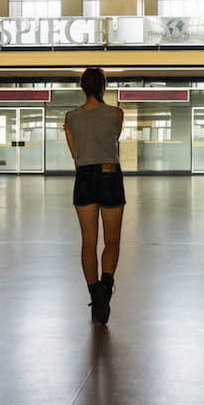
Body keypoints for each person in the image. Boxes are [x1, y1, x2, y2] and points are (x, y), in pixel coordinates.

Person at [64, 67, 125, 325]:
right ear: (103, 87)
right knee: (111, 241)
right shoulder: (116, 113)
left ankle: (94, 294)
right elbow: (114, 138)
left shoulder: (70, 117)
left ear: (82, 88)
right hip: (110, 174)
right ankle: (106, 286)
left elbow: (75, 153)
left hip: (84, 176)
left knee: (88, 242)